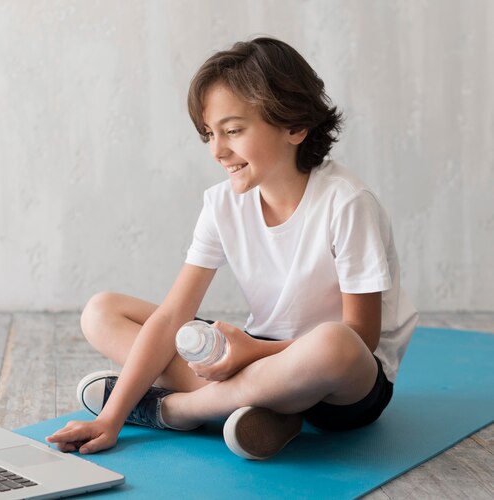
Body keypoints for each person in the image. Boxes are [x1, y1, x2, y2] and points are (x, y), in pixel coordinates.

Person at [46, 37, 418, 460]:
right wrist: (109, 419)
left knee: (332, 342)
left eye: (233, 131)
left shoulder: (346, 202)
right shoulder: (222, 203)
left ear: (295, 126)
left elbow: (361, 336)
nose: (218, 150)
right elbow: (172, 316)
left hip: (342, 385)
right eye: (209, 134)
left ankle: (179, 409)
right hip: (259, 358)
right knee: (103, 310)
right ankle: (264, 410)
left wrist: (252, 351)